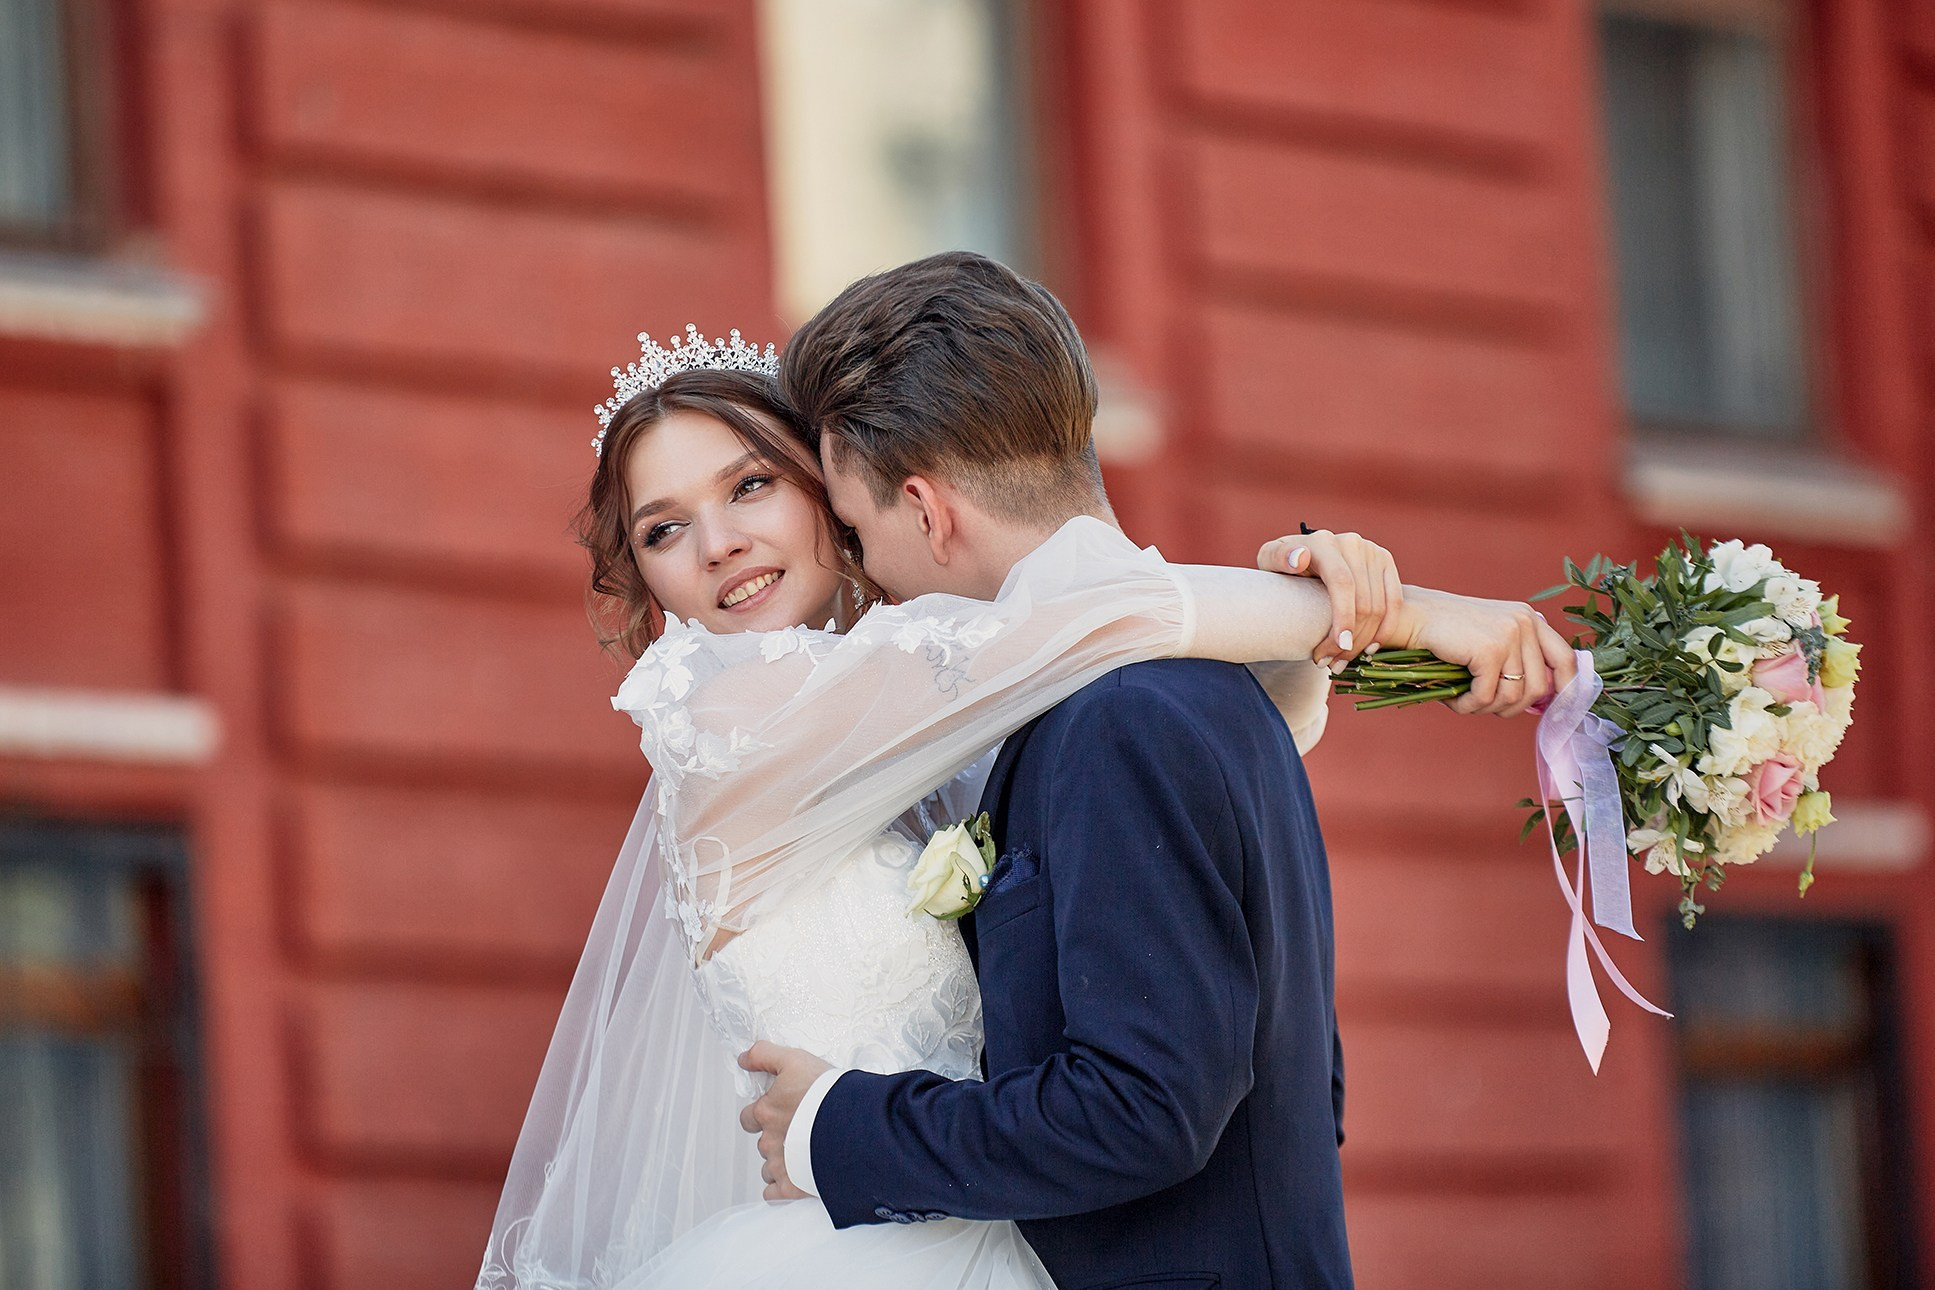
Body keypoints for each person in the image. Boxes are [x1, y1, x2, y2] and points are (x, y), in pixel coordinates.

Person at [476, 265, 1570, 1288]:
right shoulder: (732, 711)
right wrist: (1401, 615)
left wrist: (1306, 663)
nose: (716, 545)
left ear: (873, 503)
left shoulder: (1033, 716)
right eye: (664, 529)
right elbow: (1097, 619)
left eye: (753, 485)